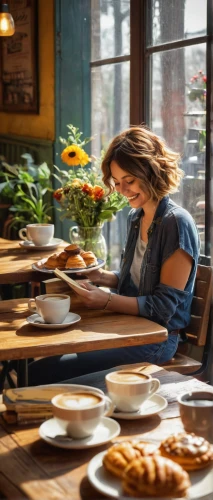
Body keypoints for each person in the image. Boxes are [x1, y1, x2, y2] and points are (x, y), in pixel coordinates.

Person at [28, 125, 200, 385]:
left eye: (129, 181)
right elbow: (137, 282)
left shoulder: (175, 223)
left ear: (151, 171)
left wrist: (105, 300)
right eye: (117, 183)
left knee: (43, 372)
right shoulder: (136, 217)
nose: (121, 190)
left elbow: (163, 308)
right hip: (129, 327)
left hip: (157, 340)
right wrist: (103, 276)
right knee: (43, 362)